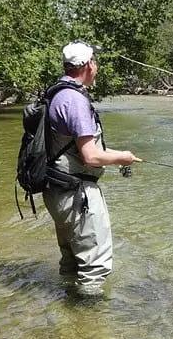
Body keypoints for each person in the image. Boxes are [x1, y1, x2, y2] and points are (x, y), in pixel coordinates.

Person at [42, 40, 141, 297]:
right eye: (94, 62)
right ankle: (91, 325)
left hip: (57, 190)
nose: (96, 67)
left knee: (72, 261)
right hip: (76, 194)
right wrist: (123, 157)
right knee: (95, 266)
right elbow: (90, 156)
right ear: (87, 65)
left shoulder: (57, 93)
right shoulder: (74, 101)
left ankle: (67, 315)